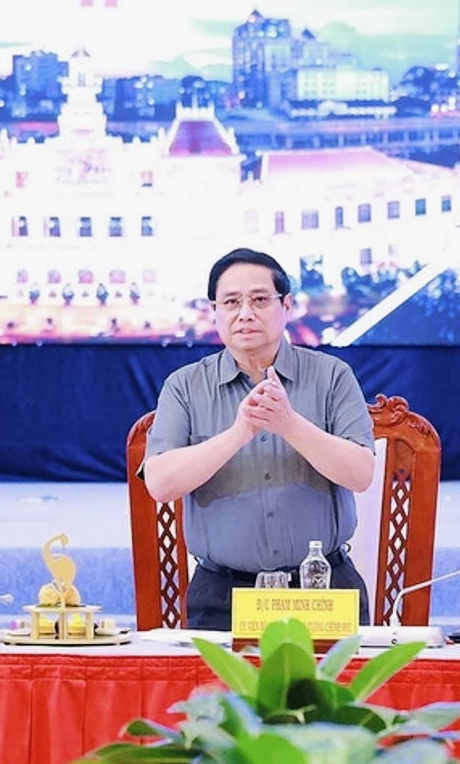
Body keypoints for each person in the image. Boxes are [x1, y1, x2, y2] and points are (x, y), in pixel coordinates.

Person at [142, 248, 376, 630]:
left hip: (322, 590)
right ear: (214, 311)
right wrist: (240, 433)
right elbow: (161, 484)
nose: (245, 313)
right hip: (223, 596)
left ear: (287, 305)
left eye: (260, 300)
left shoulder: (332, 376)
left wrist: (288, 424)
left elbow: (360, 474)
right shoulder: (184, 386)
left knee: (335, 675)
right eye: (231, 302)